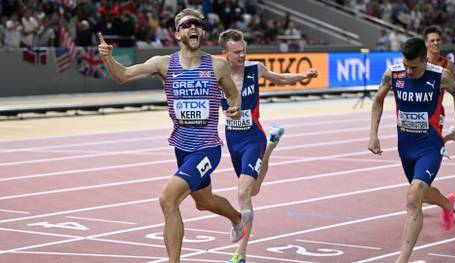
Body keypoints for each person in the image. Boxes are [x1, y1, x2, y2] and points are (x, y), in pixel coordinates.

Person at [98, 8, 253, 263]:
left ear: (202, 32)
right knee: (204, 202)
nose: (194, 27)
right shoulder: (163, 64)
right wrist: (107, 59)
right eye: (187, 24)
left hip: (207, 148)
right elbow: (123, 76)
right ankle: (238, 218)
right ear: (177, 33)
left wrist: (234, 108)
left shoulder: (218, 66)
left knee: (167, 200)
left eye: (198, 24)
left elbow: (232, 95)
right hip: (181, 148)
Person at [218, 29, 318, 263]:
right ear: (225, 54)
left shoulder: (255, 69)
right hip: (233, 140)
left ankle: (240, 255)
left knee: (243, 192)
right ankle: (273, 145)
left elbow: (280, 78)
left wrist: (304, 75)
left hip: (253, 137)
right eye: (237, 52)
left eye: (244, 50)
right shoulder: (216, 73)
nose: (242, 55)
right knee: (253, 191)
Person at [368, 37, 455, 263]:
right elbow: (378, 100)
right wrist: (373, 133)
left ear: (424, 62)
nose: (409, 71)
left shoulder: (440, 76)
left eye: (414, 67)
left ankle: (401, 260)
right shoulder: (394, 74)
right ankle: (446, 203)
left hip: (430, 145)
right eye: (406, 65)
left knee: (413, 197)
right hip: (406, 146)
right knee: (419, 192)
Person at [424, 25, 455, 215]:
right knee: (425, 152)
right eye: (432, 40)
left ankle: (422, 192)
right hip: (420, 114)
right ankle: (451, 135)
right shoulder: (419, 62)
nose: (435, 43)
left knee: (430, 151)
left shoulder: (446, 64)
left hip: (436, 114)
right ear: (425, 42)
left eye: (438, 40)